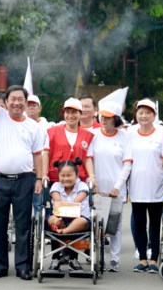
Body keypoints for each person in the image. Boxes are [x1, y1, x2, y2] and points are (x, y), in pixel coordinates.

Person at [0, 60, 44, 281]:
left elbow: (37, 154)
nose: (16, 103)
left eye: (20, 100)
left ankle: (23, 266)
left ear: (27, 102)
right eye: (12, 99)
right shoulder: (0, 118)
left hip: (25, 180)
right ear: (5, 103)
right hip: (0, 180)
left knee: (23, 225)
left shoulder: (34, 127)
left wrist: (40, 178)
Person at [42, 97, 95, 271]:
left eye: (74, 112)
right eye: (67, 112)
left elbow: (88, 158)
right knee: (57, 216)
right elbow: (46, 155)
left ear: (81, 114)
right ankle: (56, 257)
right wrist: (43, 175)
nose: (70, 115)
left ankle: (72, 257)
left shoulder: (88, 135)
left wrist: (92, 176)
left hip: (78, 182)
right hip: (57, 180)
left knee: (76, 218)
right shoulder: (52, 131)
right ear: (63, 113)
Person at [124, 99, 163, 273]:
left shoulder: (161, 134)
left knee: (155, 223)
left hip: (156, 185)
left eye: (147, 113)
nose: (144, 116)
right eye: (140, 113)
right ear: (136, 115)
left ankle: (154, 259)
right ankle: (143, 259)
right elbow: (126, 160)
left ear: (154, 115)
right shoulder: (130, 134)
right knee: (139, 224)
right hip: (137, 185)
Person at [87, 101, 130, 272]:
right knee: (96, 223)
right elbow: (89, 158)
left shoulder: (124, 136)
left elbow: (127, 164)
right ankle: (98, 257)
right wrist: (92, 180)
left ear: (116, 119)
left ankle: (114, 259)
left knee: (114, 225)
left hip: (116, 189)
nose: (103, 120)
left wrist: (118, 187)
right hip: (98, 187)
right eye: (101, 116)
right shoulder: (94, 134)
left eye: (108, 117)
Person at [45, 159, 90, 271]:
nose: (65, 179)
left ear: (77, 175)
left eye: (69, 175)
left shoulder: (82, 186)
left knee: (81, 221)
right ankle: (56, 258)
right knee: (51, 219)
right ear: (58, 176)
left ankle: (72, 255)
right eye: (62, 175)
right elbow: (57, 200)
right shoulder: (56, 186)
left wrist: (65, 210)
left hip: (78, 218)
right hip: (60, 218)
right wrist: (58, 219)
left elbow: (77, 202)